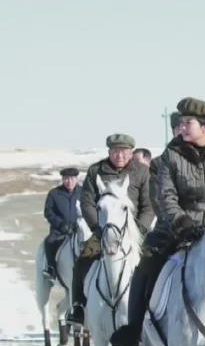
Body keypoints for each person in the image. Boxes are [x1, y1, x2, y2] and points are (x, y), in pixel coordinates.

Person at [109, 98, 205, 346]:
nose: (181, 127)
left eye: (187, 123)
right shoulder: (168, 158)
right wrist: (183, 223)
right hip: (176, 229)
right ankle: (134, 329)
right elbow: (166, 197)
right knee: (147, 264)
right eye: (180, 123)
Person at [65, 134, 155, 326]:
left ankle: (151, 309)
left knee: (153, 262)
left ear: (131, 152)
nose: (119, 155)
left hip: (134, 232)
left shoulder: (142, 172)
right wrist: (98, 228)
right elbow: (88, 202)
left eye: (123, 151)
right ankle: (78, 307)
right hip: (103, 231)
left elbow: (149, 205)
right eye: (115, 151)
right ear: (109, 152)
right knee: (83, 260)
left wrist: (139, 229)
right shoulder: (95, 171)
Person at [42, 167, 81, 281]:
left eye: (72, 178)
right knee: (49, 241)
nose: (69, 182)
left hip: (79, 229)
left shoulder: (83, 192)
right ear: (63, 179)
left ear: (76, 179)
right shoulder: (54, 193)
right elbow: (48, 212)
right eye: (66, 179)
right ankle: (51, 269)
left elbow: (88, 209)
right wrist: (61, 224)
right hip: (59, 230)